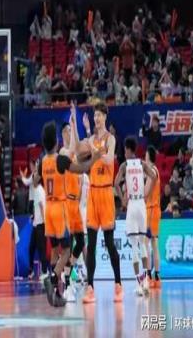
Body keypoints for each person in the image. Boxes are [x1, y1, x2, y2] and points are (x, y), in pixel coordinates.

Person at [36, 120, 102, 307]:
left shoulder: (42, 161)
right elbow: (81, 168)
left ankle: (57, 292)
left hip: (48, 209)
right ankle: (53, 278)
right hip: (60, 207)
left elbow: (34, 180)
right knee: (66, 251)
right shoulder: (61, 159)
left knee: (55, 250)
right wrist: (94, 158)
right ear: (56, 141)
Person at [82, 102, 123, 304]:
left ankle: (118, 284)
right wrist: (85, 133)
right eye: (95, 115)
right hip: (93, 193)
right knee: (91, 245)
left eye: (99, 115)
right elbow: (85, 158)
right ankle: (90, 287)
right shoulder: (91, 139)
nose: (96, 118)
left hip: (106, 193)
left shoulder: (110, 139)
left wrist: (96, 151)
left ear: (105, 117)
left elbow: (108, 160)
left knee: (109, 243)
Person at [114, 138, 157, 297]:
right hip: (141, 204)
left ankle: (139, 283)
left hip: (132, 204)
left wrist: (122, 199)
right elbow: (154, 177)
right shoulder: (142, 164)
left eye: (124, 150)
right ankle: (146, 281)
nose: (124, 153)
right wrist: (147, 193)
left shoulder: (124, 165)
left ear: (128, 149)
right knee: (143, 244)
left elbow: (115, 183)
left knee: (134, 246)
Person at [59, 103, 87, 302]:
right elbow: (71, 148)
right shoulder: (62, 152)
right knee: (69, 245)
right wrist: (72, 124)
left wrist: (75, 122)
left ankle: (68, 272)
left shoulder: (73, 152)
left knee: (81, 243)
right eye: (68, 131)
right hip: (67, 204)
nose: (70, 133)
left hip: (76, 204)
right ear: (63, 134)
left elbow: (76, 146)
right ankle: (67, 284)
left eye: (70, 131)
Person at [144, 147, 161, 289]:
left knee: (146, 244)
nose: (144, 158)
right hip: (155, 209)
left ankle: (148, 276)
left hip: (151, 210)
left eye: (145, 156)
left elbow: (146, 192)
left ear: (149, 157)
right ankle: (157, 277)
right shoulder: (156, 171)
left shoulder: (152, 172)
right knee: (154, 245)